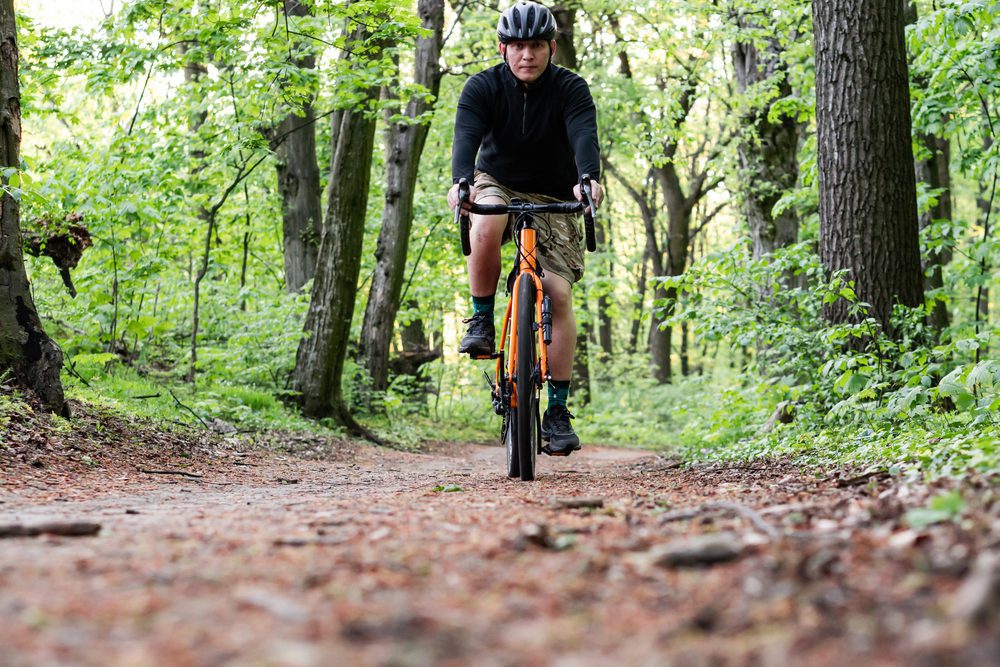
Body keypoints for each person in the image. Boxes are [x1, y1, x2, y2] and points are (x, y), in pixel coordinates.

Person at [447, 1, 603, 457]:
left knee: (557, 293)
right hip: (497, 182)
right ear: (502, 48)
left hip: (557, 193)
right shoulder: (482, 88)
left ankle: (556, 411)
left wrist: (588, 180)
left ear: (551, 47)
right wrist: (460, 184)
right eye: (517, 46)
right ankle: (480, 318)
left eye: (536, 45)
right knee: (486, 216)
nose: (527, 55)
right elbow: (466, 140)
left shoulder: (571, 88)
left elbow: (583, 137)